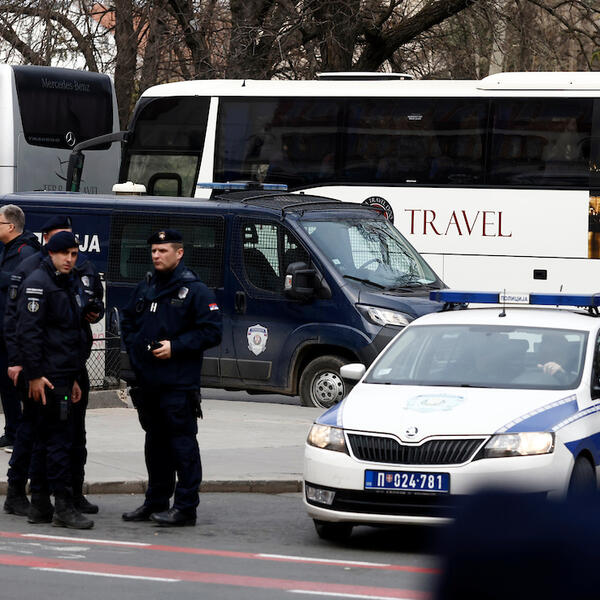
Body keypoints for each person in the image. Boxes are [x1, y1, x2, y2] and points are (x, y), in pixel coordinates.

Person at [3, 215, 103, 521]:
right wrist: (25, 368)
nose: (70, 257)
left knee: (66, 435)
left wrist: (94, 310)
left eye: (73, 251)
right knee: (43, 435)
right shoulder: (34, 274)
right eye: (63, 249)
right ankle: (41, 498)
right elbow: (22, 326)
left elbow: (80, 317)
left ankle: (52, 500)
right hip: (45, 372)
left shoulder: (71, 276)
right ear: (47, 242)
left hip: (67, 369)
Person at [121, 229, 222, 527]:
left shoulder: (195, 291)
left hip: (178, 384)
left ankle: (185, 508)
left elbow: (212, 331)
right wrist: (137, 349)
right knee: (155, 446)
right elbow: (128, 319)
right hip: (149, 382)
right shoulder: (146, 286)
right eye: (153, 250)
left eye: (163, 250)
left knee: (182, 446)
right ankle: (155, 501)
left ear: (179, 253)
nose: (156, 255)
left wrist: (176, 347)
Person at [0, 205, 40, 455]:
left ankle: (26, 435)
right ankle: (12, 431)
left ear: (11, 226)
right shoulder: (6, 249)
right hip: (3, 328)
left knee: (20, 385)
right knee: (6, 384)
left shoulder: (26, 251)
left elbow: (26, 283)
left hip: (17, 331)